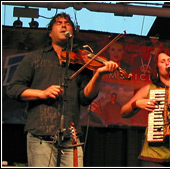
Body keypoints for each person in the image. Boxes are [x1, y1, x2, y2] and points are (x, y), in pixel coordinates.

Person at [6, 12, 119, 167]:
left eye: (68, 23)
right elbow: (13, 89)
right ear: (50, 32)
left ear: (72, 31)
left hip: (71, 136)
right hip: (41, 133)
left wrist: (98, 74)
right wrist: (42, 93)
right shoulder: (35, 58)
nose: (64, 25)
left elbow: (85, 97)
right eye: (59, 23)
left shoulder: (81, 62)